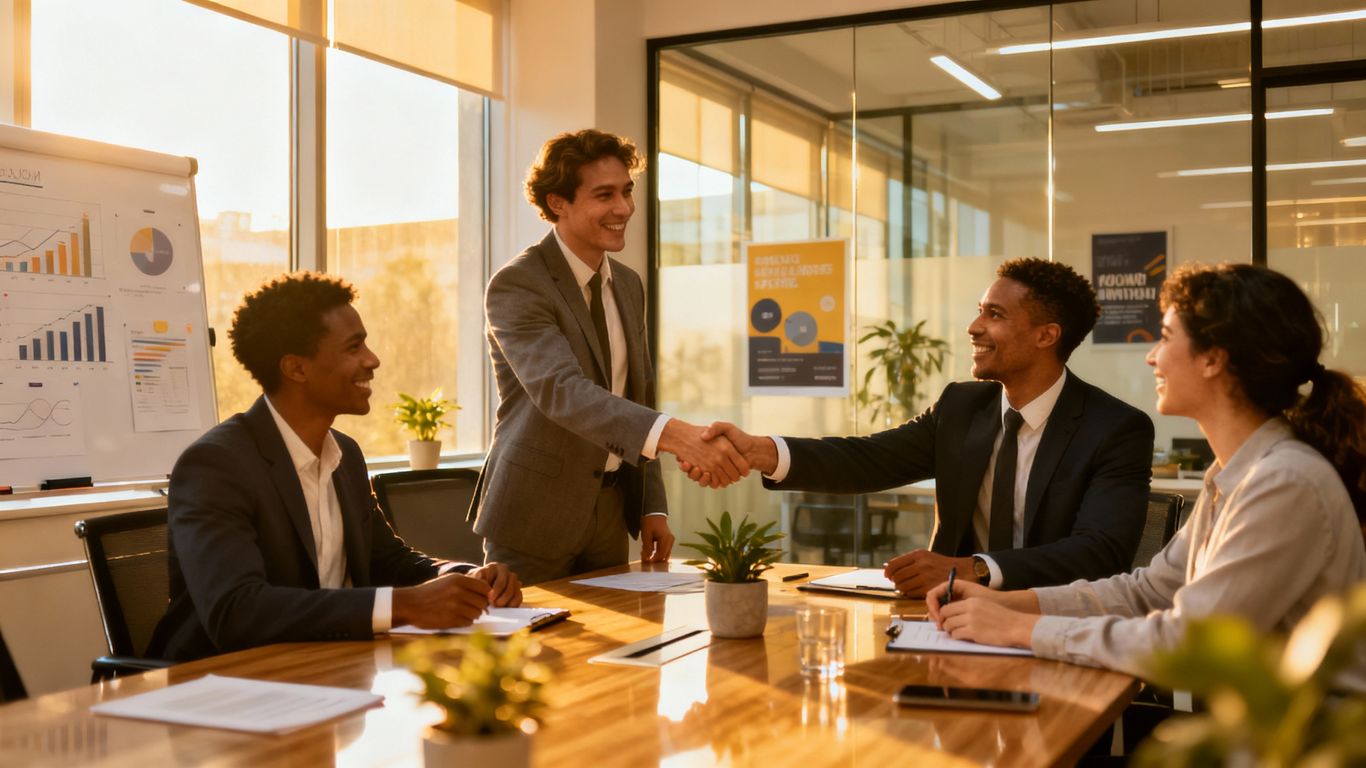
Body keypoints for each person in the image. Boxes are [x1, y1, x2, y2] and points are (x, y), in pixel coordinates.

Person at [927, 263, 1366, 690]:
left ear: (1213, 358)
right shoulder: (1236, 473)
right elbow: (1149, 592)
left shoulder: (1284, 482)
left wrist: (1021, 628)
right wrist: (1006, 602)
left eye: (1166, 338)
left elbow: (1190, 646)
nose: (1152, 356)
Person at [692, 258, 1154, 595]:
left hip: (1053, 620)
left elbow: (1099, 552)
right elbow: (867, 460)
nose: (973, 326)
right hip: (946, 620)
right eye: (980, 309)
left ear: (1046, 335)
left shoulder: (1115, 429)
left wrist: (972, 569)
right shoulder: (961, 406)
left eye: (995, 314)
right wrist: (761, 452)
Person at [148, 273, 522, 662]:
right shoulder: (216, 466)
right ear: (296, 368)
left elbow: (388, 561)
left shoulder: (345, 454)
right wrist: (402, 606)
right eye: (353, 347)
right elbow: (237, 611)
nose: (373, 360)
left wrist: (461, 577)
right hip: (223, 682)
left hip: (325, 665)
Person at [471, 129, 748, 585]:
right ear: (557, 202)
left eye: (626, 191)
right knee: (530, 654)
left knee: (614, 649)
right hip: (533, 517)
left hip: (610, 511)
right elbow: (561, 391)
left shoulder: (628, 284)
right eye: (605, 195)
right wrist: (679, 437)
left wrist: (651, 503)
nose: (624, 209)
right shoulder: (518, 284)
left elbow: (638, 395)